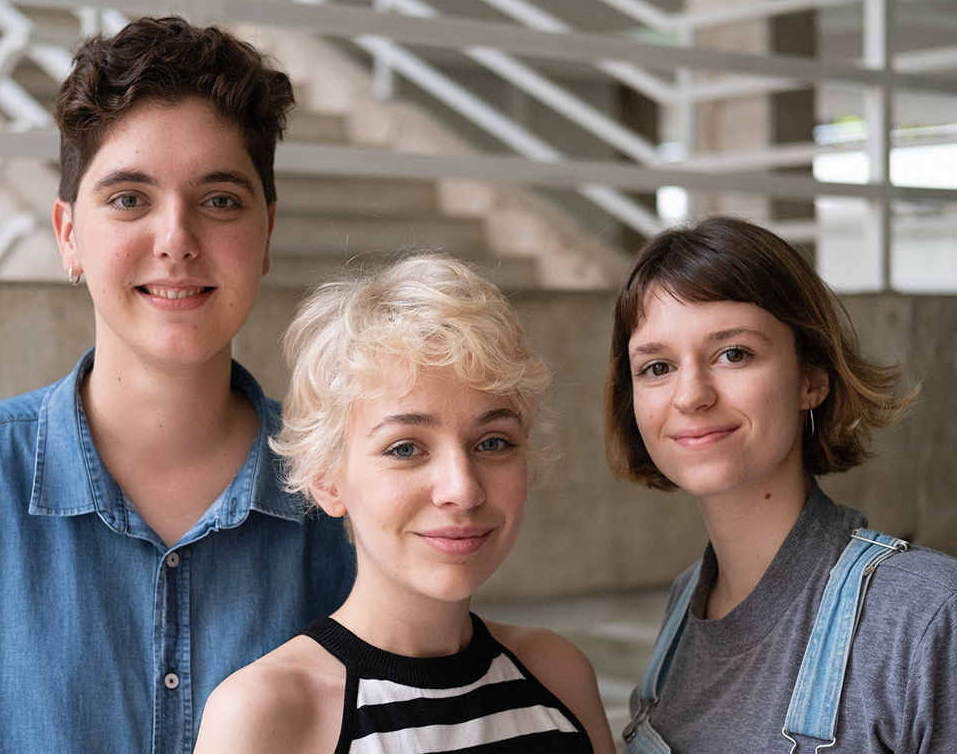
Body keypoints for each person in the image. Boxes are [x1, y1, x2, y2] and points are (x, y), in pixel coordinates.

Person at [0, 16, 354, 752]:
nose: (176, 238)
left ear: (267, 234)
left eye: (221, 199)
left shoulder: (348, 503)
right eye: (129, 198)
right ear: (68, 234)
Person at [193, 253, 616, 754]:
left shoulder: (558, 675)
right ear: (328, 479)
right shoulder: (267, 716)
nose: (462, 488)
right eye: (406, 448)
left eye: (493, 442)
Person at [604, 216, 957, 753]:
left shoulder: (929, 616)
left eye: (733, 354)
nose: (691, 395)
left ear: (811, 380)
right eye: (656, 367)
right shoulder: (683, 607)